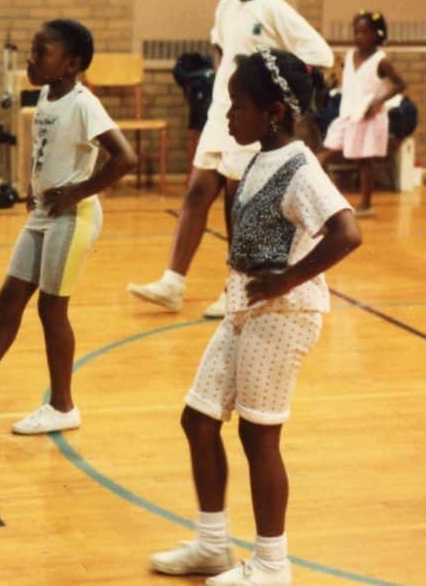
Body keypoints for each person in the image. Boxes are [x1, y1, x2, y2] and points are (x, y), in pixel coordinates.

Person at [148, 48, 361, 586]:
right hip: (247, 307)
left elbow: (347, 232)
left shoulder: (300, 167)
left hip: (284, 313)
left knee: (258, 437)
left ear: (273, 113)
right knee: (198, 419)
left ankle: (271, 565)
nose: (226, 117)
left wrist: (289, 278)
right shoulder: (256, 156)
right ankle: (214, 545)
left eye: (236, 106)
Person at [0, 20, 136, 434]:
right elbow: (53, 153)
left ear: (70, 63)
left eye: (41, 53)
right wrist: (37, 188)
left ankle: (63, 406)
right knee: (7, 302)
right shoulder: (48, 96)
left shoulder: (84, 103)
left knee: (52, 309)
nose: (31, 60)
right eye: (32, 51)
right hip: (44, 214)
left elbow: (124, 157)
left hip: (73, 217)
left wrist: (77, 192)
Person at [128, 0, 333, 319]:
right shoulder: (225, 5)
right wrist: (226, 76)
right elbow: (219, 46)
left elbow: (320, 53)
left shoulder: (274, 9)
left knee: (236, 204)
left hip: (251, 119)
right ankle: (173, 283)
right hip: (221, 113)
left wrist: (267, 80)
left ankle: (234, 288)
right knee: (196, 192)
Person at [317, 11, 407, 216]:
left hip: (368, 117)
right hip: (347, 114)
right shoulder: (349, 56)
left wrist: (378, 101)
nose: (358, 36)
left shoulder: (381, 61)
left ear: (377, 34)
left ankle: (366, 205)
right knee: (325, 151)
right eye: (356, 32)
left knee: (364, 161)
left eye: (364, 32)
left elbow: (401, 84)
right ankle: (323, 198)